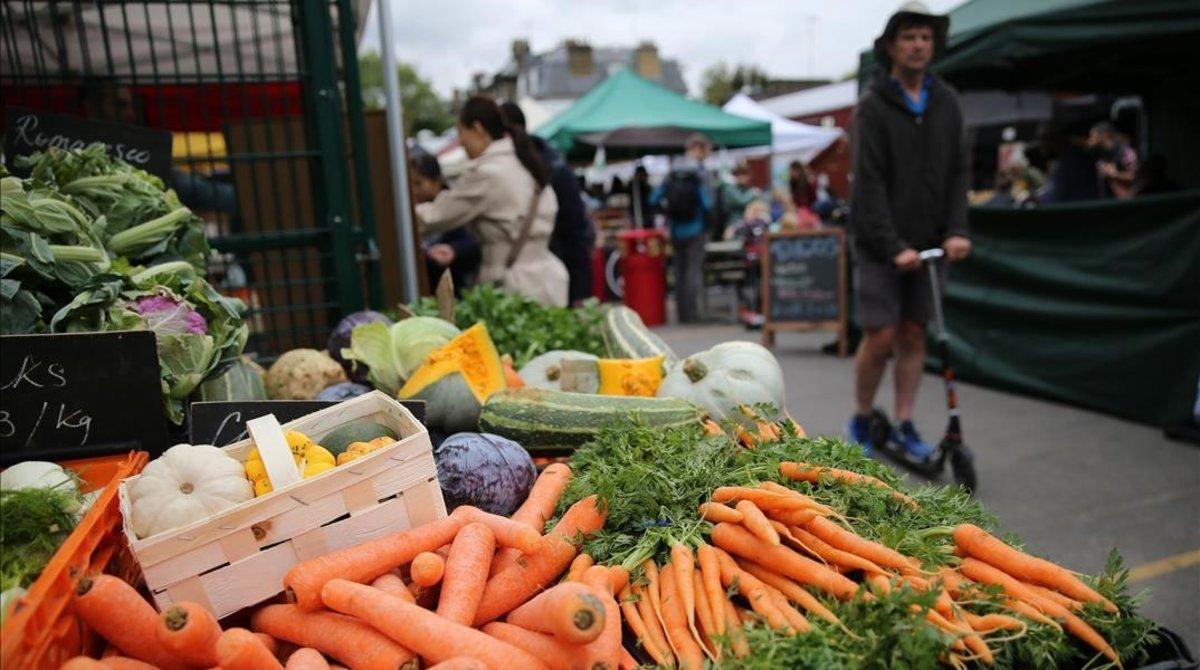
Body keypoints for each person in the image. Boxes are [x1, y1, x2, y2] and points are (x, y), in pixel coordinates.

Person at [849, 2, 971, 464]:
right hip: (881, 244)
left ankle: (903, 421)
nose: (919, 45)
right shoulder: (872, 106)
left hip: (931, 241)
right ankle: (861, 416)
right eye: (909, 37)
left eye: (925, 37)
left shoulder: (948, 102)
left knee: (914, 333)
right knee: (880, 334)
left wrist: (958, 229)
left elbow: (960, 173)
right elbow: (869, 182)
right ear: (892, 47)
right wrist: (892, 245)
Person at [414, 95, 568, 307]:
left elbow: (436, 216)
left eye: (461, 132)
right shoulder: (526, 162)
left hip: (512, 287)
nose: (460, 141)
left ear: (478, 128)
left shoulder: (487, 173)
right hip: (549, 281)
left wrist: (396, 213)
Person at [499, 101, 595, 305]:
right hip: (531, 282)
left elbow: (575, 232)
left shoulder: (552, 169)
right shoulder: (519, 167)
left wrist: (580, 293)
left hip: (553, 281)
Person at [651, 133, 714, 324]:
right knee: (693, 271)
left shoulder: (672, 172)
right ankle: (693, 314)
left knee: (679, 272)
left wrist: (668, 213)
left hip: (676, 229)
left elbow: (653, 198)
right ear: (699, 149)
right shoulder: (699, 173)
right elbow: (708, 204)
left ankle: (681, 313)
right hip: (695, 229)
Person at [409, 151, 481, 293]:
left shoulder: (456, 208)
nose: (414, 190)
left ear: (436, 181)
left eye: (418, 183)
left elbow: (475, 243)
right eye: (410, 184)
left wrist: (454, 250)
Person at [1088, 121, 1138, 199]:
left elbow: (1136, 176)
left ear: (1104, 135)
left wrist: (1114, 174)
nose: (1090, 140)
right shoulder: (1101, 153)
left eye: (1092, 136)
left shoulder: (1125, 152)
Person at [716, 163, 761, 238]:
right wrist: (753, 193)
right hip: (733, 225)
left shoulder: (743, 188)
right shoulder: (729, 188)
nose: (743, 177)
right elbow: (741, 201)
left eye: (745, 174)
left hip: (747, 224)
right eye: (740, 175)